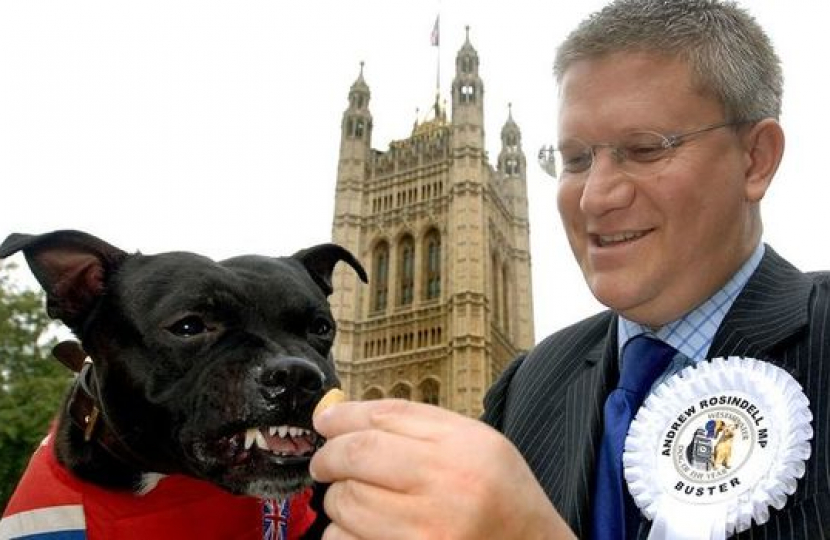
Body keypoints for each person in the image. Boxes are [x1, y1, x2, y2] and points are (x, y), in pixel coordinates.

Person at [310, 0, 830, 538]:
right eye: (576, 160)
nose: (595, 198)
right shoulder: (527, 388)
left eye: (646, 149)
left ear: (755, 159)